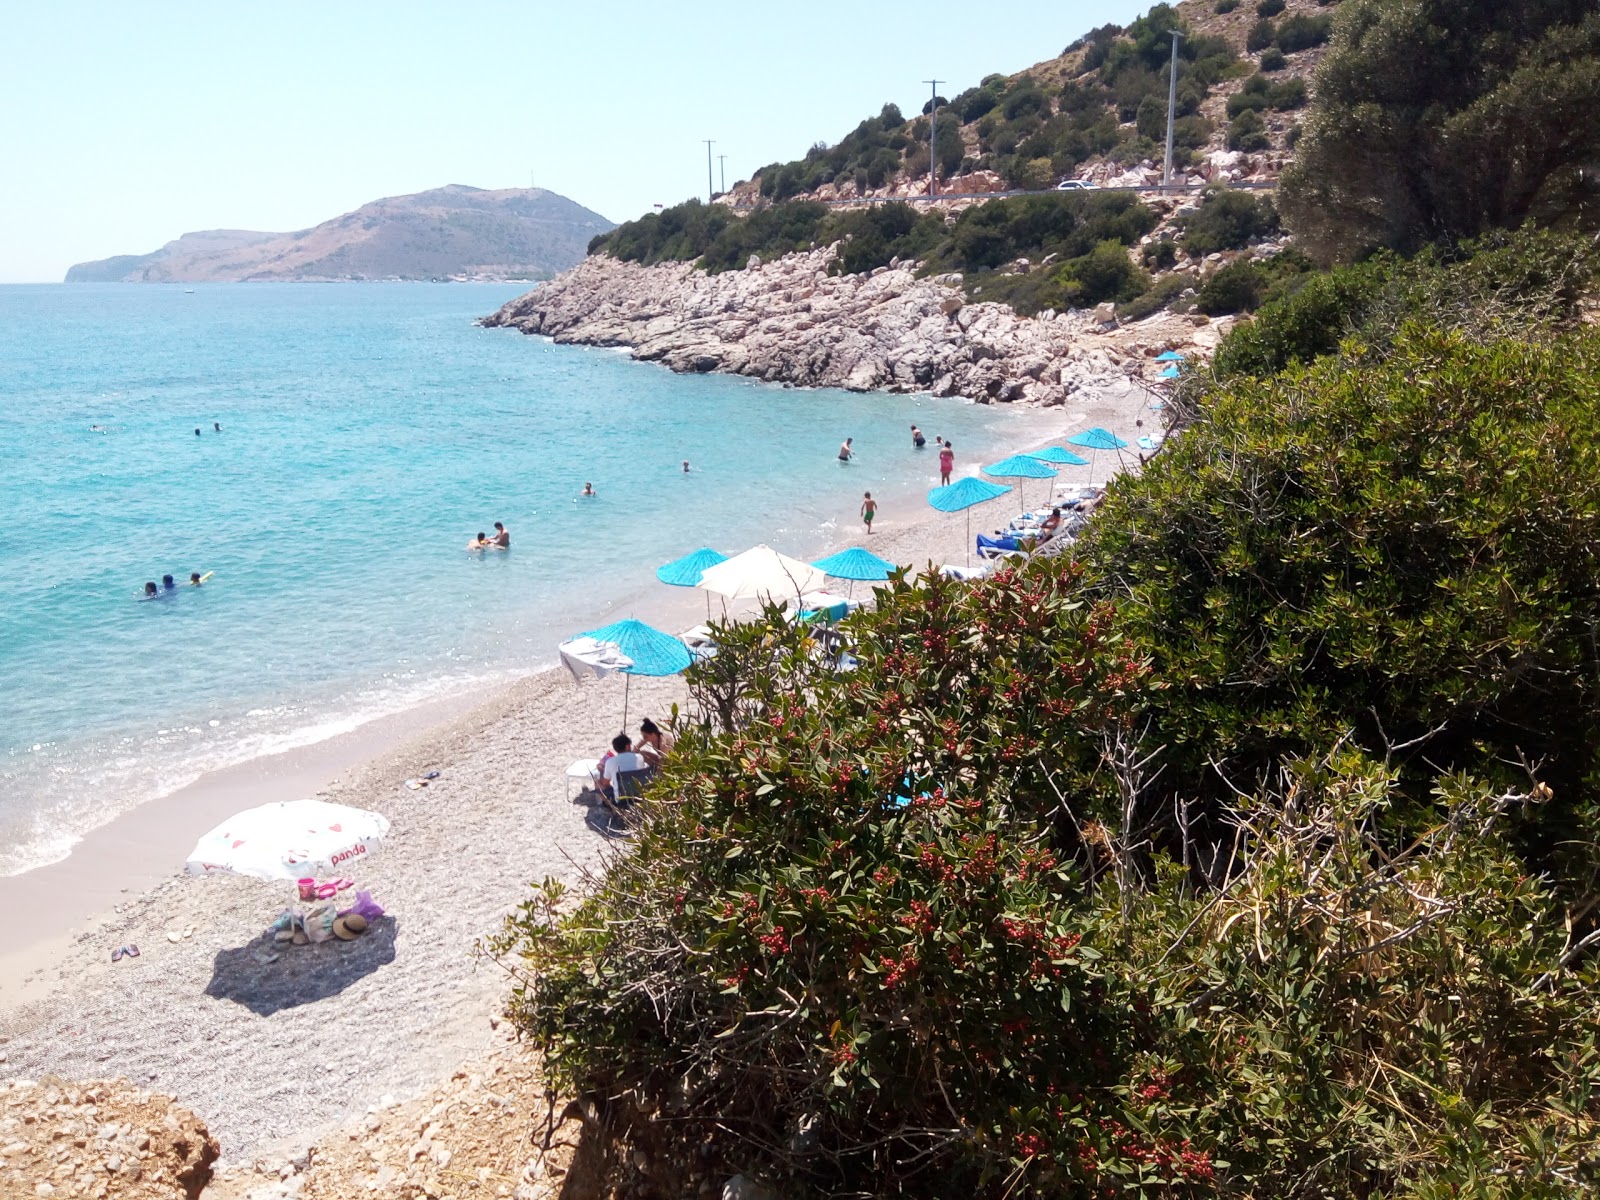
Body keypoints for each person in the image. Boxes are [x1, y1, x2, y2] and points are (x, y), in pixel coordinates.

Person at [600, 734, 649, 805]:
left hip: (621, 800)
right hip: (640, 796)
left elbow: (605, 783)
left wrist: (601, 771)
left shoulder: (610, 761)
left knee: (599, 783)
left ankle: (610, 808)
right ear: (628, 746)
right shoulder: (639, 757)